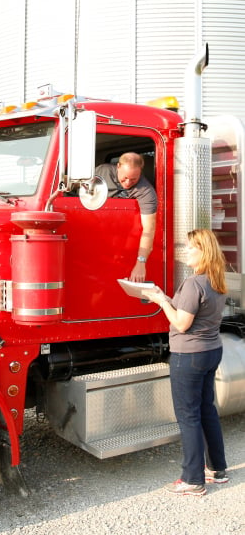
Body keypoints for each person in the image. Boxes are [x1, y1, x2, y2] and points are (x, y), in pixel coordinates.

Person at [142, 229, 229, 496]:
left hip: (188, 357)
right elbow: (191, 313)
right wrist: (165, 298)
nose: (186, 251)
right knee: (206, 410)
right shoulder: (216, 281)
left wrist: (159, 301)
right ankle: (217, 469)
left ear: (204, 252)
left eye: (192, 248)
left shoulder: (194, 283)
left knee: (188, 416)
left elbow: (181, 323)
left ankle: (193, 479)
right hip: (211, 351)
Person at [95, 152, 157, 282]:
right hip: (96, 233)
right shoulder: (102, 171)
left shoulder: (146, 191)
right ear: (118, 166)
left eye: (134, 179)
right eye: (125, 178)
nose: (128, 183)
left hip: (122, 240)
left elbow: (148, 230)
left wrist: (140, 263)